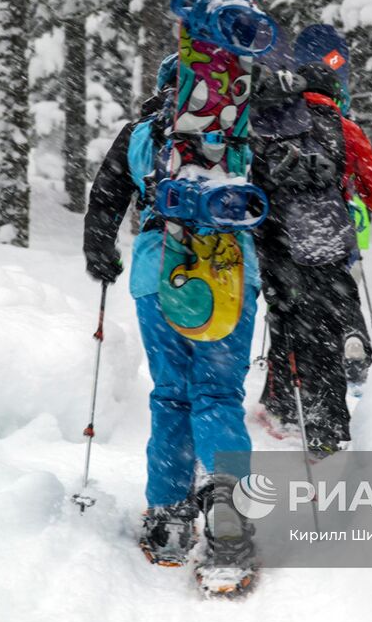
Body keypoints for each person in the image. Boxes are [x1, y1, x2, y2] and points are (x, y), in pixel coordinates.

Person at [82, 55, 259, 576]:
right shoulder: (240, 137)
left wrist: (102, 253)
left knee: (171, 394)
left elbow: (105, 199)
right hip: (228, 274)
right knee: (220, 394)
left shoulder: (141, 135)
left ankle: (169, 517)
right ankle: (229, 509)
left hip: (160, 273)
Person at [253, 59, 372, 456]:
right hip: (328, 240)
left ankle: (283, 407)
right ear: (335, 94)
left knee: (286, 320)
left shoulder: (271, 123)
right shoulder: (345, 128)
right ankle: (328, 426)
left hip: (278, 240)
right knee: (328, 325)